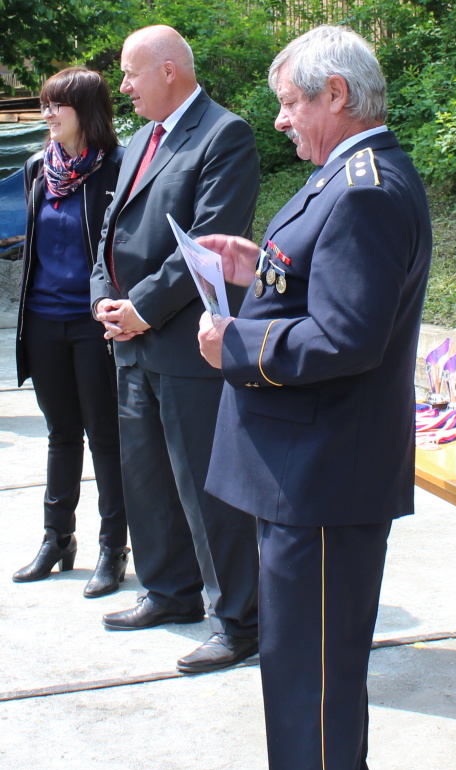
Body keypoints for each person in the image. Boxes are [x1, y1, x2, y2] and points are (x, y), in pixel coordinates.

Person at [197, 25, 433, 770]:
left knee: (315, 690)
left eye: (290, 102)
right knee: (300, 675)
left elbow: (346, 337)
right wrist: (252, 268)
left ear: (336, 94)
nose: (279, 118)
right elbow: (315, 281)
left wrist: (235, 344)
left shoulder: (367, 189)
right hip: (307, 472)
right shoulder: (346, 172)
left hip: (325, 478)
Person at [89, 25, 260, 673]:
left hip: (188, 343)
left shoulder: (224, 135)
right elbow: (111, 228)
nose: (123, 87)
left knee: (205, 484)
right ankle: (170, 591)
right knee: (148, 475)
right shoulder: (138, 141)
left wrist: (142, 308)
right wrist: (106, 296)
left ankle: (240, 619)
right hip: (131, 340)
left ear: (168, 70)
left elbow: (210, 238)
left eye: (131, 74)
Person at [13, 67, 129, 599]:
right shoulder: (38, 167)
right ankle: (57, 539)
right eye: (44, 104)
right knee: (62, 433)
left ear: (86, 109)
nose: (47, 114)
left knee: (106, 437)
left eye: (57, 105)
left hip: (91, 323)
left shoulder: (118, 168)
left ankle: (113, 549)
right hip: (41, 320)